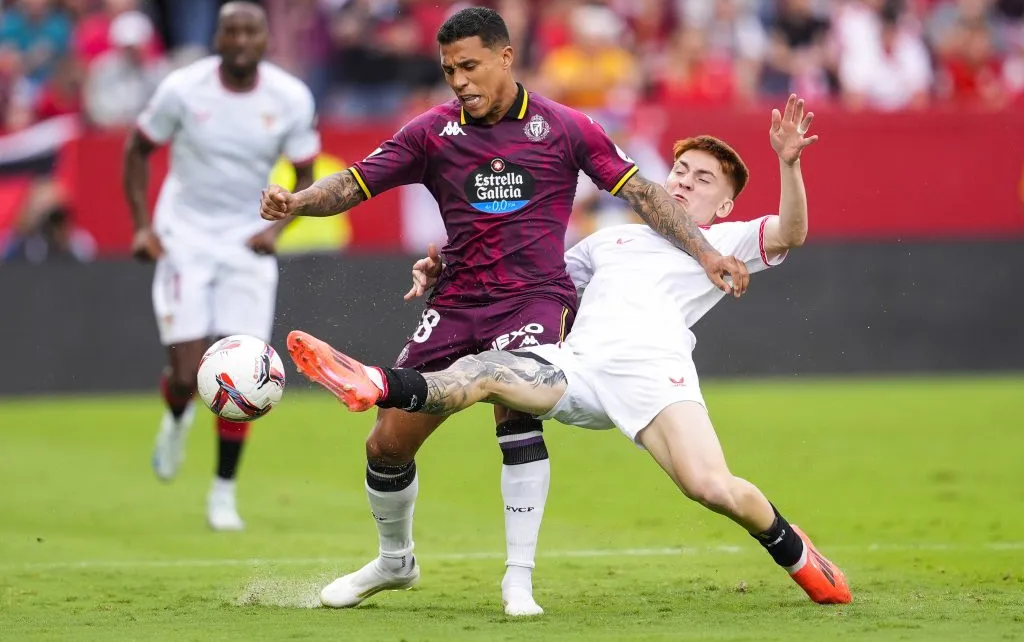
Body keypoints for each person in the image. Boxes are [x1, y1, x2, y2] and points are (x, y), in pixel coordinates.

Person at [258, 6, 749, 615]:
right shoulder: (431, 132)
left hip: (534, 299)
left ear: (504, 58)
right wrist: (297, 201)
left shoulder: (566, 127)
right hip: (456, 303)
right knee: (385, 445)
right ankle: (394, 561)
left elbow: (643, 193)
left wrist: (704, 251)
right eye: (448, 70)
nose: (459, 80)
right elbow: (354, 183)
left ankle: (518, 580)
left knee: (513, 408)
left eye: (468, 66)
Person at [287, 95, 852, 606]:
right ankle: (378, 383)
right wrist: (442, 269)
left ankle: (795, 552)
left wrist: (790, 163)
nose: (684, 182)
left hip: (656, 382)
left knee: (713, 489)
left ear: (725, 206)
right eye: (680, 170)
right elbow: (532, 283)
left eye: (702, 180)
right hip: (576, 372)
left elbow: (792, 233)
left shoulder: (723, 241)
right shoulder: (607, 241)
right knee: (486, 371)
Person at [123, 1, 320, 531]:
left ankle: (223, 494)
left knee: (245, 373)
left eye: (249, 30)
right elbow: (137, 150)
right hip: (183, 234)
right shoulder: (183, 89)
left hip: (246, 242)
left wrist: (276, 229)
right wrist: (142, 226)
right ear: (217, 36)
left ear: (263, 40)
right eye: (230, 30)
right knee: (188, 373)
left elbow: (307, 175)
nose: (239, 39)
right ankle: (175, 416)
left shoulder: (290, 97)